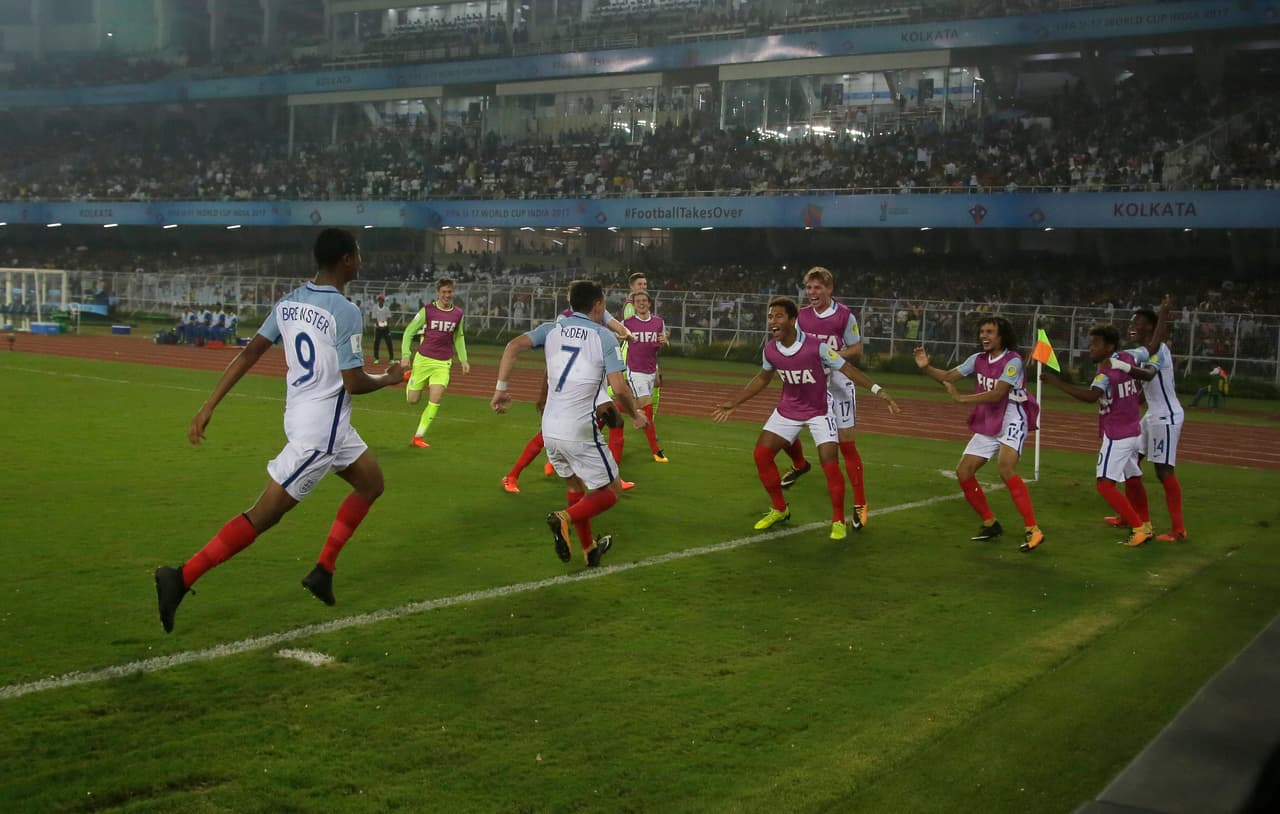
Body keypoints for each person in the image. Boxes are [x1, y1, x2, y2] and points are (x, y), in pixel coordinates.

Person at [154, 228, 404, 633]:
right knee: (263, 516)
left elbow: (250, 352)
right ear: (345, 260)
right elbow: (354, 381)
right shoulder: (346, 311)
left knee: (371, 483)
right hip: (318, 434)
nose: (360, 260)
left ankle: (323, 570)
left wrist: (209, 404)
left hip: (316, 420)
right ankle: (180, 577)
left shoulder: (289, 302)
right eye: (357, 254)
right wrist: (388, 378)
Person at [713, 297, 900, 541]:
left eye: (779, 316)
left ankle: (837, 521)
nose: (773, 321)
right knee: (761, 455)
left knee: (830, 463)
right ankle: (780, 509)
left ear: (792, 320)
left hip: (819, 411)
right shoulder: (770, 349)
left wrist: (879, 391)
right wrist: (735, 401)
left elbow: (848, 369)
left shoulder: (817, 348)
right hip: (787, 410)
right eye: (770, 317)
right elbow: (762, 378)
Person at [491, 279, 648, 566]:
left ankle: (589, 549)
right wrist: (637, 413)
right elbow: (620, 388)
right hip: (580, 429)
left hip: (550, 429)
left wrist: (501, 388)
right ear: (598, 305)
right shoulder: (603, 337)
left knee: (575, 485)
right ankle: (563, 517)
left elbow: (513, 346)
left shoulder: (552, 329)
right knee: (611, 491)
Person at [914, 316, 1045, 551]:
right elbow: (948, 377)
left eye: (990, 332)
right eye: (982, 331)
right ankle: (990, 522)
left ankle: (1033, 529)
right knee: (964, 472)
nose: (984, 336)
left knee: (1005, 468)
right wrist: (926, 368)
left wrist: (962, 398)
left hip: (1013, 416)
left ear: (1001, 336)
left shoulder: (1013, 361)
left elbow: (998, 394)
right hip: (989, 418)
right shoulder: (977, 360)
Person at [1041, 325, 1154, 547]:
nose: (1090, 348)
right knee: (1133, 477)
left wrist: (1056, 383)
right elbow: (1148, 349)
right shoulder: (1126, 357)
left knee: (1104, 485)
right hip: (1132, 430)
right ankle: (1145, 522)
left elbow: (1091, 396)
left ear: (1109, 347)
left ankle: (1139, 528)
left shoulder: (1106, 373)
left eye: (1095, 344)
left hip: (1117, 434)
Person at [779, 267, 870, 529]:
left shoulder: (844, 316)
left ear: (830, 289)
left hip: (839, 384)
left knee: (846, 444)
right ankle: (799, 464)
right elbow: (793, 343)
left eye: (818, 288)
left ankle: (860, 502)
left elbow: (857, 349)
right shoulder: (802, 316)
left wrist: (833, 355)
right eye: (809, 288)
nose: (812, 293)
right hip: (810, 383)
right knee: (784, 430)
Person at [1107, 297, 1187, 541]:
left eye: (1138, 322)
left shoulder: (1159, 350)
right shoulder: (1141, 352)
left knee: (1163, 471)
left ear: (1151, 328)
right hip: (1153, 414)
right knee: (1130, 460)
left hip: (1166, 416)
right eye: (1131, 322)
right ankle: (1132, 517)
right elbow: (1144, 389)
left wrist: (1123, 368)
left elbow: (1150, 375)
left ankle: (1178, 530)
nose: (1132, 326)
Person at [401, 278, 469, 448]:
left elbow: (458, 337)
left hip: (443, 363)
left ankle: (418, 436)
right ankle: (409, 379)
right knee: (412, 400)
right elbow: (409, 331)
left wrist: (463, 359)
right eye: (444, 292)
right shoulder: (428, 311)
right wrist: (405, 354)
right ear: (438, 292)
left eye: (450, 292)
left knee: (436, 398)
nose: (447, 295)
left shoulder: (458, 313)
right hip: (423, 360)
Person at [612, 290, 669, 463]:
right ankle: (656, 451)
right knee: (647, 409)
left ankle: (607, 410)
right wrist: (620, 337)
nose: (641, 303)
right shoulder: (628, 323)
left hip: (651, 371)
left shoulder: (658, 322)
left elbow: (663, 344)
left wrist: (666, 342)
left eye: (644, 300)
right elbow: (615, 338)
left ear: (649, 303)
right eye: (638, 301)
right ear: (634, 304)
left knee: (636, 407)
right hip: (635, 372)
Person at [371, 293, 395, 364]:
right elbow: (374, 318)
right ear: (378, 300)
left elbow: (389, 318)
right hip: (378, 329)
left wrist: (385, 325)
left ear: (384, 301)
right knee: (376, 343)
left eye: (382, 300)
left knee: (389, 343)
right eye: (379, 300)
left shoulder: (386, 308)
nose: (381, 301)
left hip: (386, 328)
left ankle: (391, 359)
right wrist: (378, 325)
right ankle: (376, 358)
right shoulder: (375, 308)